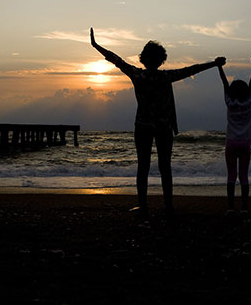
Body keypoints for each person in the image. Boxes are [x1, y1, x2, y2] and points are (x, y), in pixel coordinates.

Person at [90, 27, 226, 218]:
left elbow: (116, 59)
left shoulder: (138, 75)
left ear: (143, 59)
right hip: (163, 126)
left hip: (143, 126)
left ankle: (143, 205)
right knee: (165, 166)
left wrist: (96, 46)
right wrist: (214, 63)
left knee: (143, 165)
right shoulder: (165, 76)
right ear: (161, 59)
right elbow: (192, 69)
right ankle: (168, 205)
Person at [217, 56, 251, 216]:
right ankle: (244, 208)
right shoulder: (249, 101)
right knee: (244, 176)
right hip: (245, 143)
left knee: (231, 176)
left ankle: (230, 207)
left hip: (231, 143)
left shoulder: (229, 102)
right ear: (247, 91)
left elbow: (224, 83)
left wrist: (219, 67)